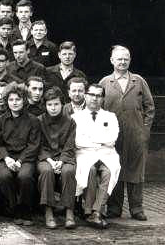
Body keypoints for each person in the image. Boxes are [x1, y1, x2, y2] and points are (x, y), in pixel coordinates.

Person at [101, 46, 155, 221]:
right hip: (112, 137)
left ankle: (137, 208)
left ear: (130, 60)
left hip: (135, 135)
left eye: (126, 59)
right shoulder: (104, 83)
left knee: (136, 172)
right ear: (112, 60)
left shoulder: (138, 81)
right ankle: (114, 208)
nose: (122, 62)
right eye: (119, 59)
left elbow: (150, 107)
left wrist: (144, 131)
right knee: (115, 170)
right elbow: (98, 109)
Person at [73, 83, 121, 229]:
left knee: (108, 172)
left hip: (107, 154)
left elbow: (112, 138)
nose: (95, 98)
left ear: (103, 99)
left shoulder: (110, 116)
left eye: (98, 95)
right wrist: (100, 141)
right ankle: (88, 211)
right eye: (92, 95)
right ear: (86, 96)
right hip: (84, 154)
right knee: (90, 170)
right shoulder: (76, 117)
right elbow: (77, 141)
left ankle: (96, 212)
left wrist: (91, 140)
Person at [0, 83, 40, 226]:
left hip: (26, 157)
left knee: (25, 176)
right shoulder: (0, 120)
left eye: (18, 99)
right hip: (7, 156)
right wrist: (7, 158)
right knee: (4, 176)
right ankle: (14, 208)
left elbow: (33, 145)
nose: (14, 103)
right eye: (11, 100)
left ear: (24, 100)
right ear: (7, 101)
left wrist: (20, 161)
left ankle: (25, 209)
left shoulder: (33, 120)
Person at [36, 87, 77, 229]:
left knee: (68, 172)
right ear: (45, 105)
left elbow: (70, 144)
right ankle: (48, 212)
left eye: (56, 104)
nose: (53, 108)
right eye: (49, 105)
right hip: (45, 158)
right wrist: (50, 161)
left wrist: (61, 160)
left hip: (65, 157)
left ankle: (69, 212)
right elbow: (38, 145)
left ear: (62, 104)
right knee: (46, 171)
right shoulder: (39, 121)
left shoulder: (70, 121)